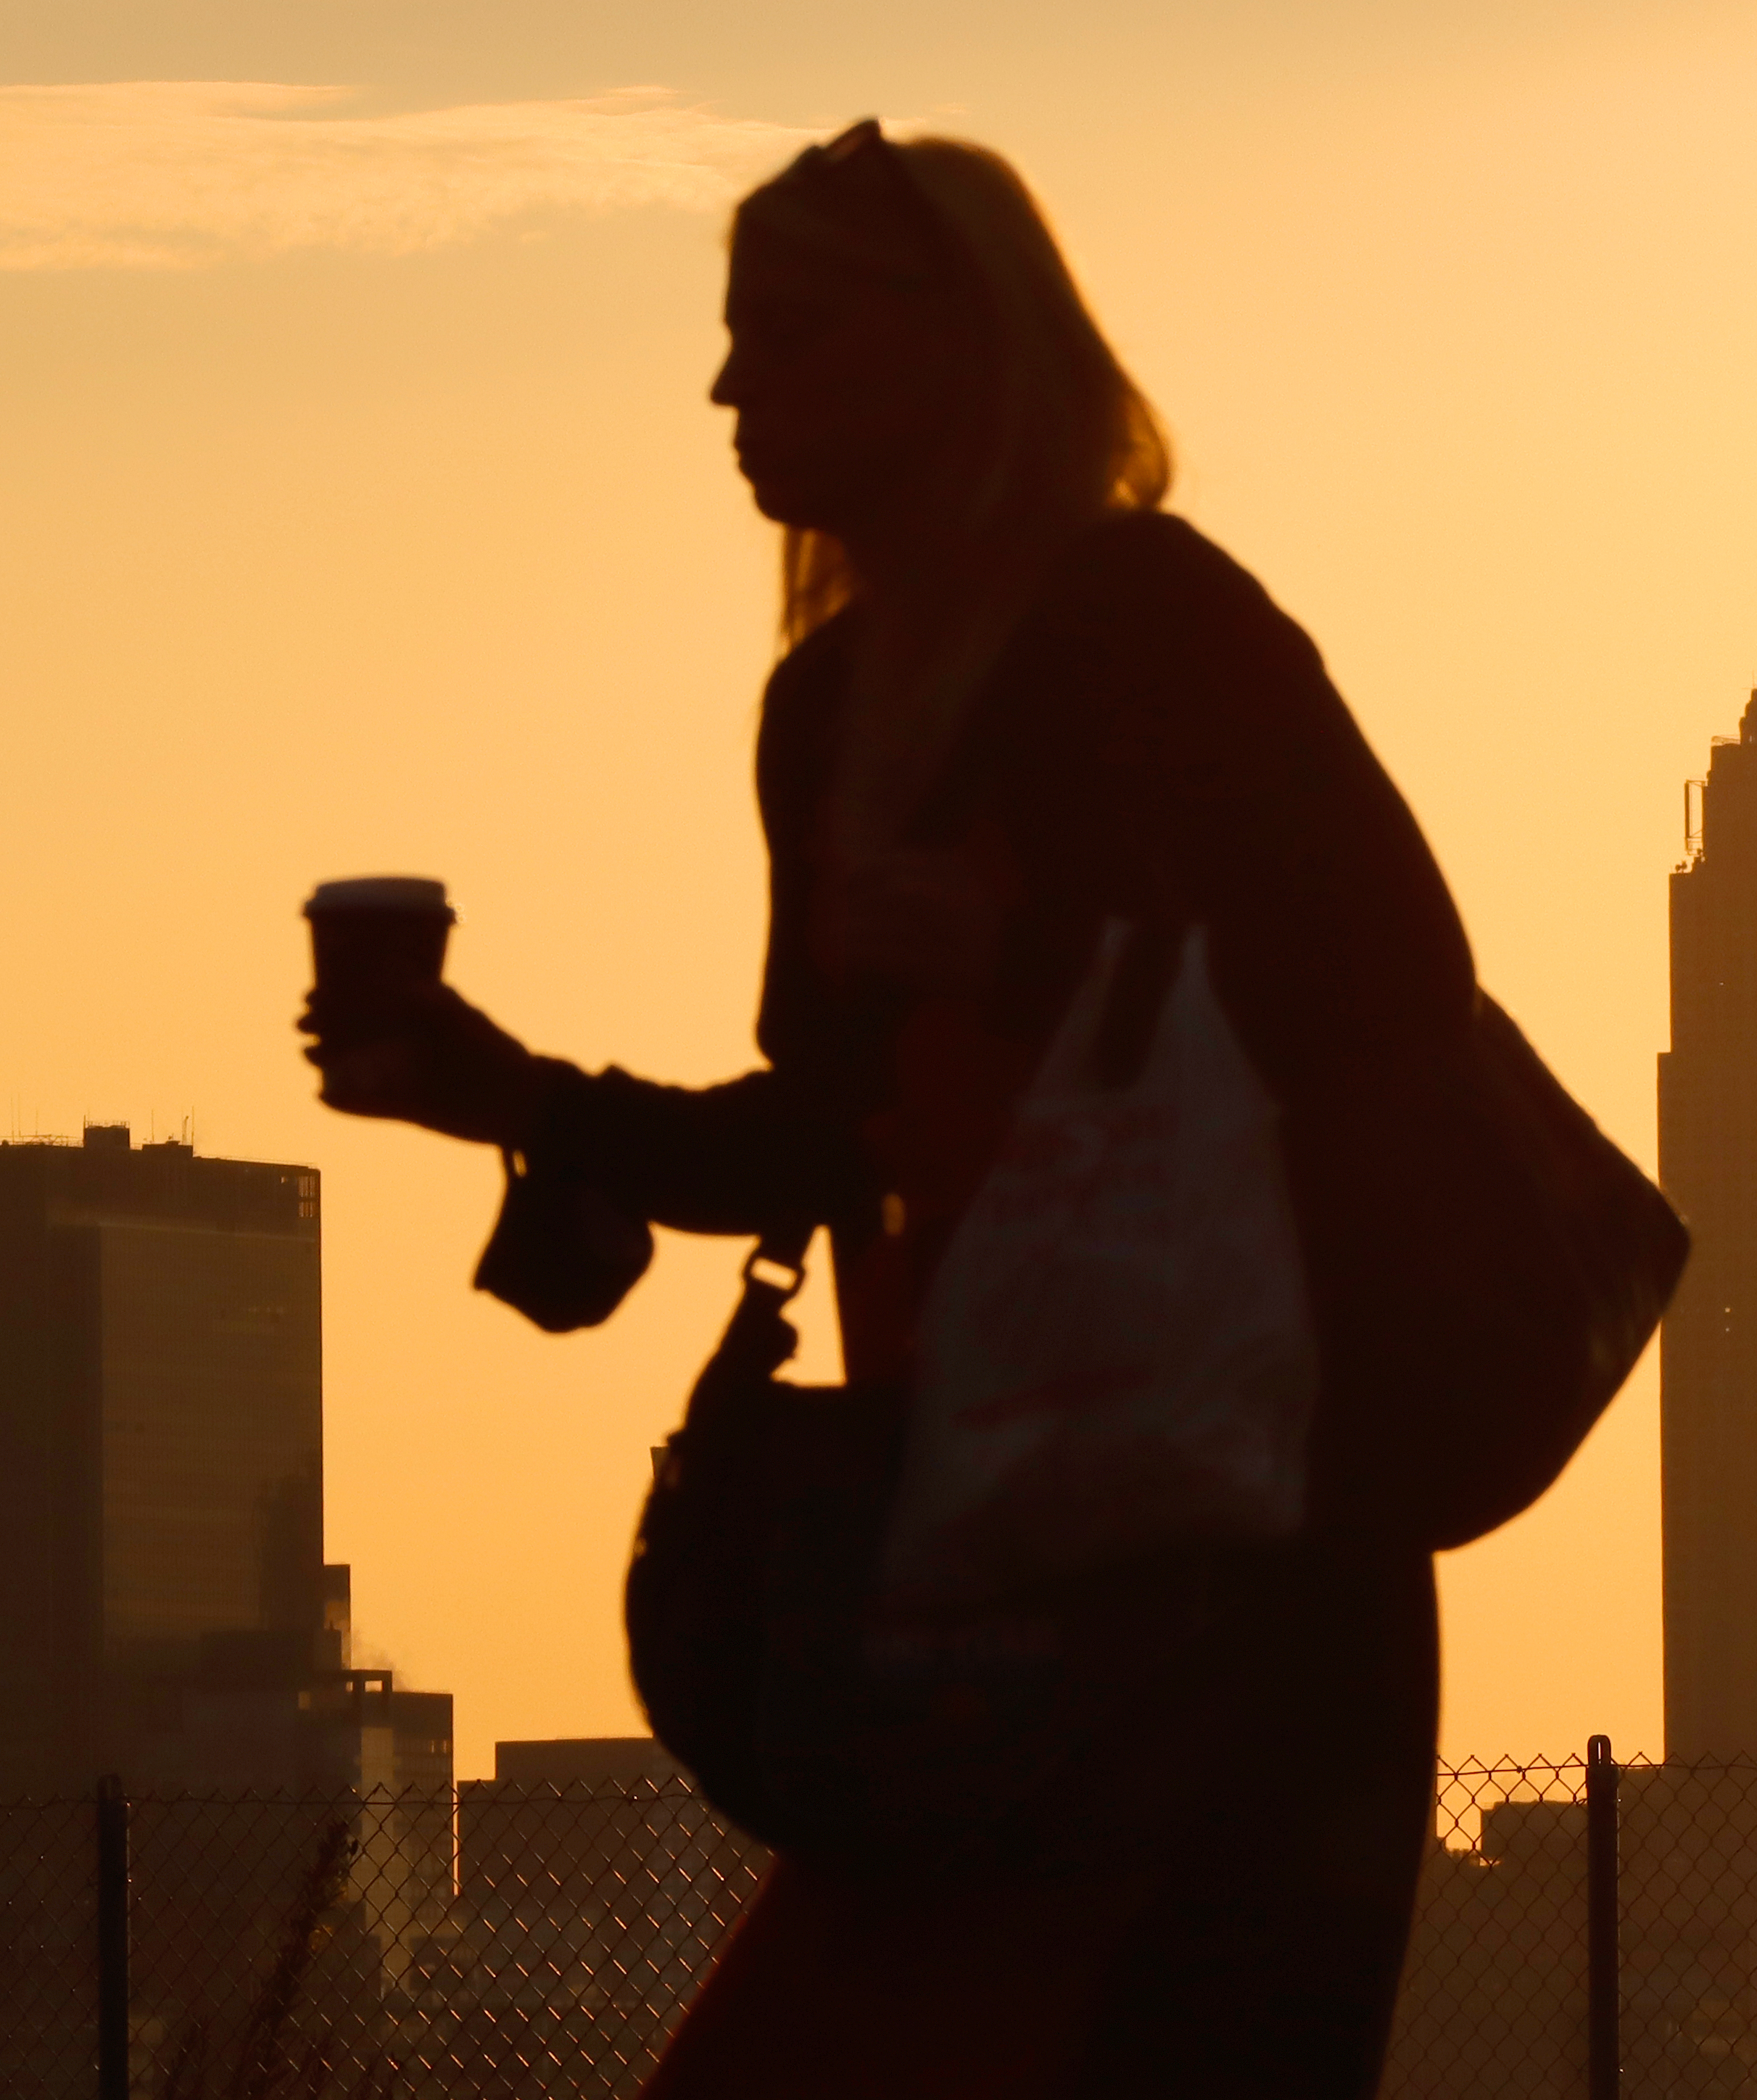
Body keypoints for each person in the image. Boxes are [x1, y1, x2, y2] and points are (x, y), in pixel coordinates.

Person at [299, 123, 1468, 2096]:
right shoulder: (829, 705)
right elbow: (823, 1137)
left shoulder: (1153, 623)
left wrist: (1044, 955)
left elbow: (1391, 984)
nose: (728, 388)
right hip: (974, 1544)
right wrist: (499, 1093)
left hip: (1230, 1548)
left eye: (785, 333)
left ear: (955, 346)